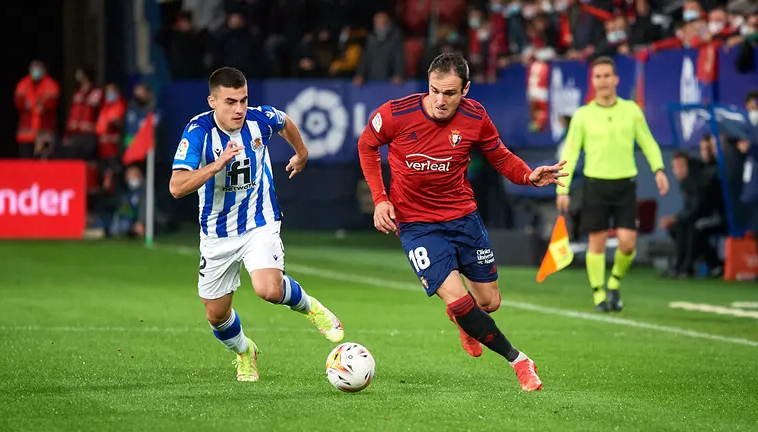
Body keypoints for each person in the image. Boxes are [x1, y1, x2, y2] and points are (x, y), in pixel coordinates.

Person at [358, 53, 567, 392]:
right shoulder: (396, 113)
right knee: (458, 299)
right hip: (416, 224)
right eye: (435, 91)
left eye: (450, 93)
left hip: (462, 216)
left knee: (488, 303)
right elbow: (367, 145)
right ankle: (519, 361)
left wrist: (528, 175)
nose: (440, 101)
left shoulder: (475, 117)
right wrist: (381, 198)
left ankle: (463, 318)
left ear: (465, 90)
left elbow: (500, 156)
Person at [169, 67, 344, 382]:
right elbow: (176, 186)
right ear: (212, 101)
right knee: (216, 315)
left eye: (243, 100)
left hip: (259, 220)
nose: (239, 109)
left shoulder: (259, 119)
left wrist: (302, 153)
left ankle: (312, 308)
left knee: (268, 289)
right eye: (230, 102)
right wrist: (216, 165)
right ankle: (245, 351)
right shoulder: (197, 132)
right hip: (217, 233)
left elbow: (284, 121)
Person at [556, 56, 669, 312]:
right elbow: (570, 154)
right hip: (595, 185)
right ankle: (599, 294)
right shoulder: (583, 115)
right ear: (593, 81)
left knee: (628, 244)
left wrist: (659, 169)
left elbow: (648, 142)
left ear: (616, 79)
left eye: (607, 75)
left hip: (625, 185)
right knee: (596, 241)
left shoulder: (631, 111)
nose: (603, 81)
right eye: (598, 76)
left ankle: (614, 282)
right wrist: (562, 188)